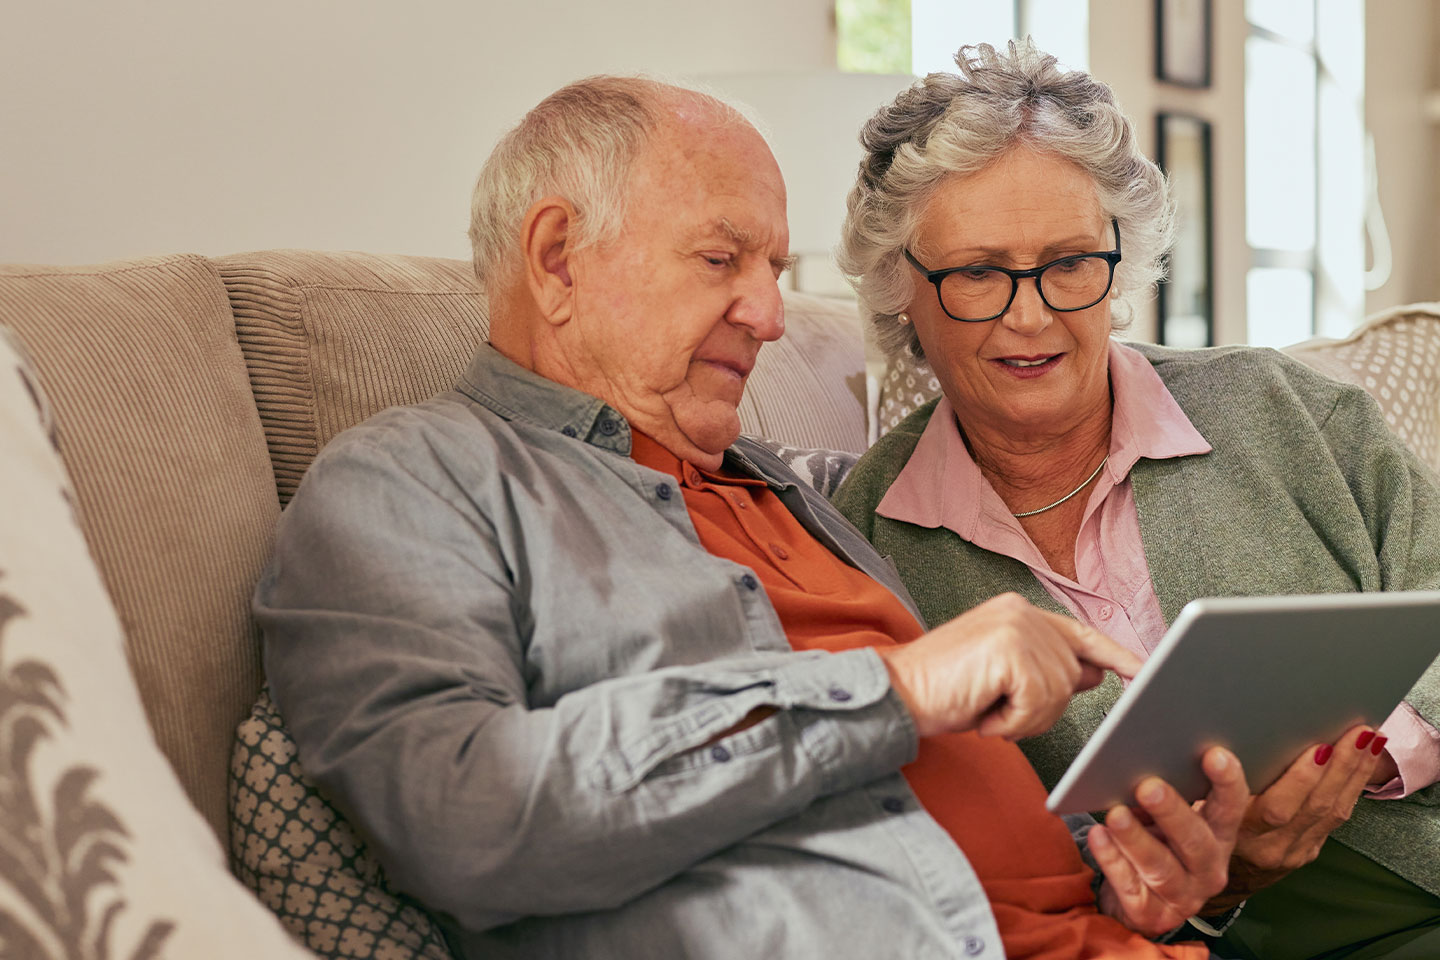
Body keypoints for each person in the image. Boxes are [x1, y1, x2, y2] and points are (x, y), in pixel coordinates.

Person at [256, 75, 1253, 959]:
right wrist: (892, 686)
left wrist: (1130, 868)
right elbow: (461, 817)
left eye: (773, 270)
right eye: (721, 260)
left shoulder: (793, 490)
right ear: (557, 259)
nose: (772, 317)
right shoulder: (413, 481)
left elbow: (935, 786)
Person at [830, 40, 1440, 960]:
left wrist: (1362, 763)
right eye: (979, 273)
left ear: (1122, 267)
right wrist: (1218, 873)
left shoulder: (1290, 411)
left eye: (1071, 262)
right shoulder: (867, 539)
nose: (1029, 317)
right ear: (899, 290)